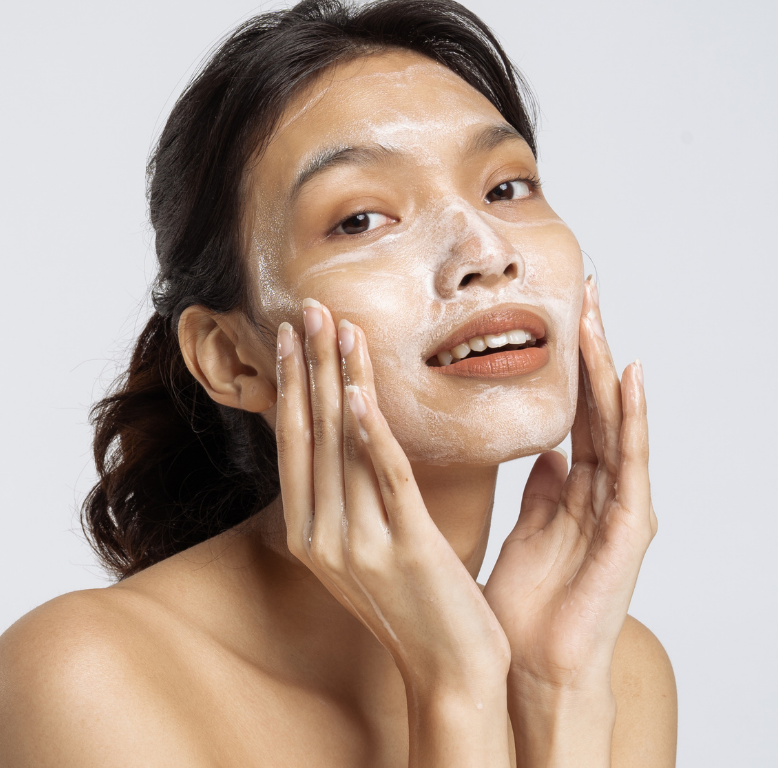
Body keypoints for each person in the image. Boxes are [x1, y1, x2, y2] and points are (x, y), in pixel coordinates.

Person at [0, 0, 677, 765]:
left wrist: (555, 697)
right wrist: (455, 694)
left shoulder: (607, 664)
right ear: (232, 358)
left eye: (506, 187)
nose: (487, 250)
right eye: (361, 219)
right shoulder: (87, 678)